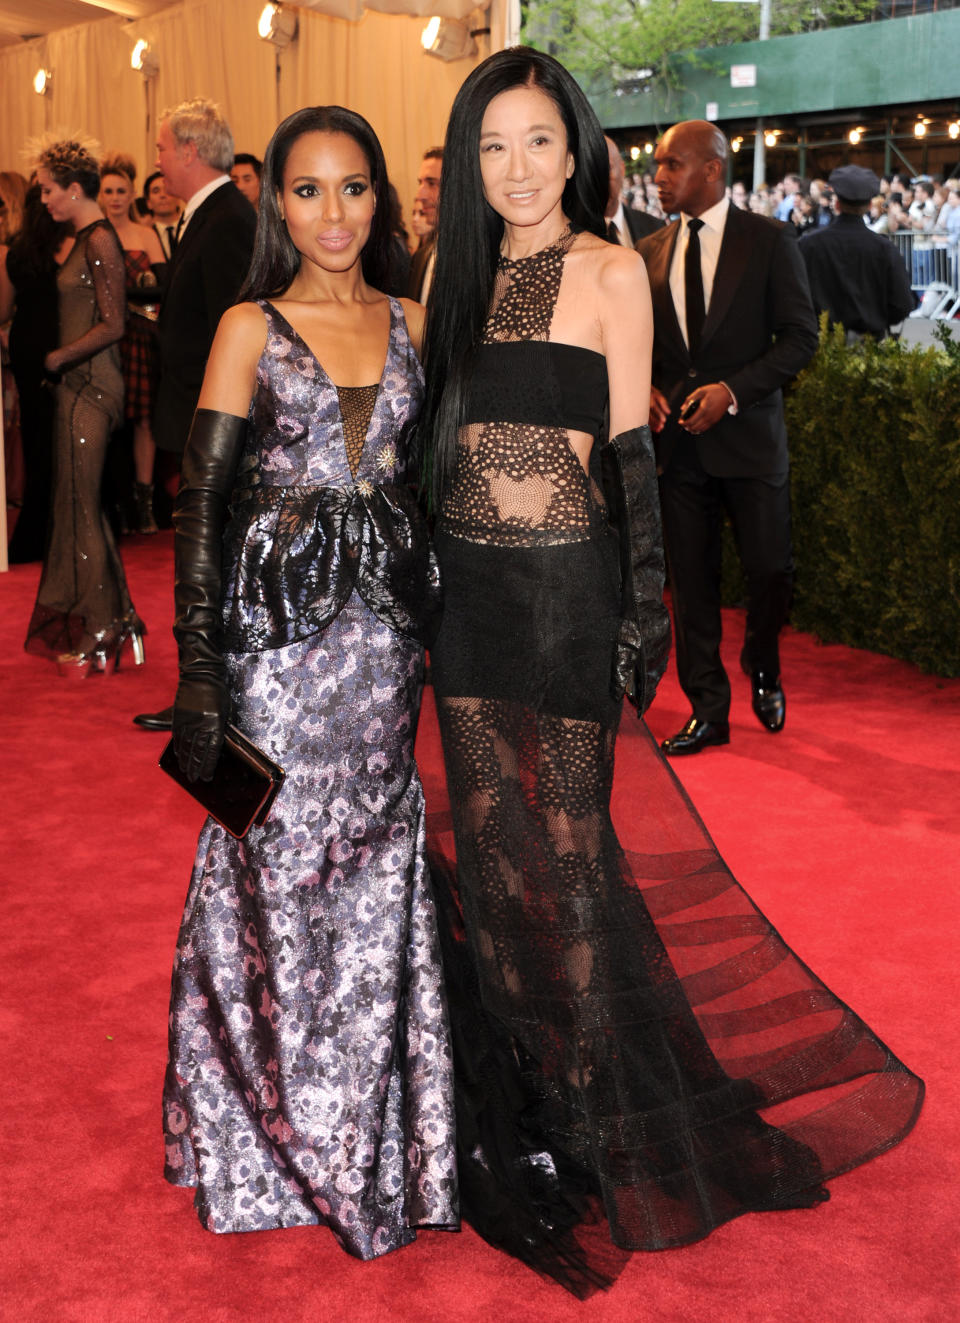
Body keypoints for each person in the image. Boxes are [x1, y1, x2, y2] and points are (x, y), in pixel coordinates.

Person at [420, 49, 922, 1298]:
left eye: (539, 142)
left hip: (565, 593)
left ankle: (606, 1103)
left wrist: (640, 617)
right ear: (467, 161)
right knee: (490, 844)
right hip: (468, 605)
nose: (518, 169)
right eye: (493, 146)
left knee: (576, 849)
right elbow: (434, 448)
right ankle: (532, 1092)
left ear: (579, 150)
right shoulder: (451, 275)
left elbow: (632, 463)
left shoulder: (608, 268)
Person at [161, 104, 457, 1254]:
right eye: (306, 190)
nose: (332, 214)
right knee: (268, 858)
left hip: (383, 647)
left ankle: (371, 1135)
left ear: (380, 199)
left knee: (379, 862)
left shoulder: (419, 320)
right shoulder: (248, 325)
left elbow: (440, 489)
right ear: (275, 202)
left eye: (353, 189)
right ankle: (266, 1130)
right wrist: (199, 669)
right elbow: (199, 506)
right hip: (270, 642)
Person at [637, 121, 818, 755]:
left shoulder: (769, 241)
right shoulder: (648, 250)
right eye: (657, 166)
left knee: (771, 570)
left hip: (750, 443)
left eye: (671, 165)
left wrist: (733, 392)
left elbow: (801, 338)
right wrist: (646, 386)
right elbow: (643, 347)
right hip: (680, 450)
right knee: (691, 583)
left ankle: (763, 663)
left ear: (712, 170)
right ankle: (707, 708)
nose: (659, 176)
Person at [134, 97, 257, 730]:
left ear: (188, 150)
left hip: (213, 418)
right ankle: (202, 689)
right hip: (195, 410)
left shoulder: (229, 218)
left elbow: (233, 328)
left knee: (210, 561)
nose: (156, 162)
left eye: (161, 149)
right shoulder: (207, 215)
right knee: (198, 561)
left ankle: (215, 692)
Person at [24, 135, 145, 675]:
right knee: (78, 507)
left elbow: (115, 325)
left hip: (92, 388)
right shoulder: (83, 237)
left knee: (83, 509)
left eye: (50, 190)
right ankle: (117, 622)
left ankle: (102, 628)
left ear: (75, 189)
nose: (45, 200)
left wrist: (57, 357)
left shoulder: (99, 240)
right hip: (78, 388)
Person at [2, 185, 73, 563]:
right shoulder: (75, 245)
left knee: (39, 441)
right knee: (65, 440)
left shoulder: (18, 253)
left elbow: (3, 310)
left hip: (33, 348)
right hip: (65, 349)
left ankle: (38, 534)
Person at [99, 153, 166, 533]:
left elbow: (162, 285)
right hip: (100, 339)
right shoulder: (90, 234)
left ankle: (144, 504)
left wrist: (121, 295)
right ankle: (114, 503)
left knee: (143, 418)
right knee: (107, 419)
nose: (115, 197)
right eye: (108, 190)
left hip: (139, 336)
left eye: (121, 190)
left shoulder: (145, 234)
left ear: (131, 193)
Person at [800, 165, 916, 342]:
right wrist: (876, 319)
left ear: (836, 203)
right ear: (869, 205)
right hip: (869, 346)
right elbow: (903, 304)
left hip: (819, 343)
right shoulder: (884, 248)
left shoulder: (809, 244)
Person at [603, 135, 663, 244]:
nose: (599, 179)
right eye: (591, 171)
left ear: (622, 170)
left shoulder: (655, 228)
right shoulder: (570, 239)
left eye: (606, 169)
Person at [405, 146, 442, 301]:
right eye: (420, 183)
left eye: (432, 184)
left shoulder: (484, 260)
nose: (420, 195)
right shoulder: (420, 258)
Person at [142, 170, 183, 260]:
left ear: (178, 196)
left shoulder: (191, 226)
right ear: (148, 202)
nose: (163, 195)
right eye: (156, 191)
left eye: (167, 190)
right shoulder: (143, 235)